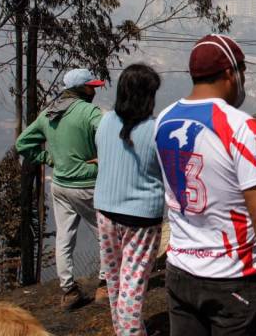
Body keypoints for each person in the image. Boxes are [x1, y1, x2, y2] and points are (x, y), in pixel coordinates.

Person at [155, 34, 256, 335]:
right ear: (230, 73)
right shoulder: (238, 126)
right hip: (232, 278)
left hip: (179, 272)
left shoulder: (164, 119)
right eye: (243, 71)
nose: (244, 80)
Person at [15, 68, 106, 309]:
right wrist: (102, 160)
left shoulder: (50, 113)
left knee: (64, 238)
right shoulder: (90, 112)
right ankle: (105, 285)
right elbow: (111, 137)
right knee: (105, 235)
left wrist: (50, 159)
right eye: (91, 86)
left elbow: (23, 143)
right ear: (81, 88)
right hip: (87, 185)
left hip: (60, 184)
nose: (94, 90)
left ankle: (68, 291)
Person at [94, 64, 164, 335]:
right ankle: (131, 331)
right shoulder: (155, 129)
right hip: (142, 217)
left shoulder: (106, 121)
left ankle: (122, 329)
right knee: (133, 285)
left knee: (115, 281)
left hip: (105, 210)